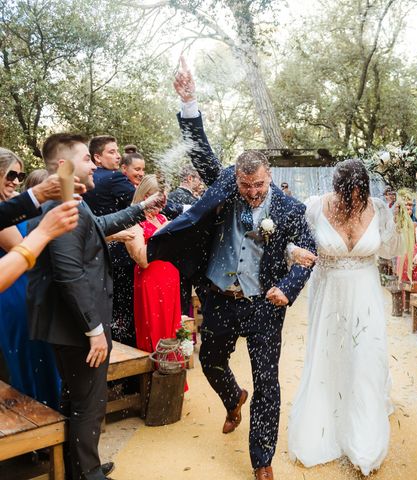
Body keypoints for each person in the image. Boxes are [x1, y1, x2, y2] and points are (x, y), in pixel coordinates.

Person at [150, 57, 316, 480]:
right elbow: (201, 149)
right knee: (210, 361)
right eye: (246, 187)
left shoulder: (291, 209)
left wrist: (290, 283)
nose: (254, 193)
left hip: (264, 305)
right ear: (235, 180)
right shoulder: (224, 183)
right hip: (218, 299)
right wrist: (189, 102)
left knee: (268, 381)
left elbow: (309, 250)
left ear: (269, 176)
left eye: (259, 185)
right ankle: (231, 396)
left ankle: (262, 459)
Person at [27, 133, 164, 480]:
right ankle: (88, 473)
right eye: (86, 158)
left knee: (78, 398)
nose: (94, 164)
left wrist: (139, 210)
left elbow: (97, 226)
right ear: (64, 167)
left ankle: (81, 465)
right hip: (76, 326)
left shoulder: (73, 200)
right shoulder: (61, 206)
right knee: (89, 404)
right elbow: (69, 274)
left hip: (73, 324)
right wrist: (95, 330)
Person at [287, 159, 401, 475]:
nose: (352, 200)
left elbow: (391, 250)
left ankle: (362, 436)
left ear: (364, 188)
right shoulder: (314, 207)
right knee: (329, 356)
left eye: (358, 193)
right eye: (346, 193)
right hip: (328, 296)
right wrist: (293, 252)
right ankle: (325, 428)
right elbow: (293, 243)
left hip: (365, 294)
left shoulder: (378, 208)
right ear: (335, 187)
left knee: (365, 357)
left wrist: (399, 218)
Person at [0, 150, 61, 407]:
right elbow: (23, 248)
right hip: (13, 291)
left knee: (42, 357)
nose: (15, 181)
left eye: (20, 175)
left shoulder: (12, 204)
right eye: (10, 174)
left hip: (30, 289)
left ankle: (49, 414)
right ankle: (37, 421)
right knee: (27, 359)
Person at [125, 175, 182, 357]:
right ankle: (157, 373)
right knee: (154, 328)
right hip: (151, 281)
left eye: (163, 202)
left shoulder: (162, 218)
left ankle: (173, 373)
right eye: (157, 202)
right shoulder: (133, 220)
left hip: (170, 279)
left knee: (171, 329)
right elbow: (141, 259)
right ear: (145, 197)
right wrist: (162, 233)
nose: (161, 207)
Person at [168, 165, 202, 314]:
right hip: (189, 255)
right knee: (185, 296)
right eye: (198, 179)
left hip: (172, 254)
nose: (200, 182)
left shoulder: (170, 197)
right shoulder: (193, 200)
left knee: (176, 295)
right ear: (190, 178)